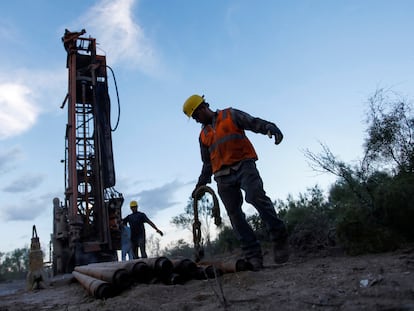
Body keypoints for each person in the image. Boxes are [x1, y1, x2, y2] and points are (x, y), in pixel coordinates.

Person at [182, 94, 289, 270]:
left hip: (244, 165)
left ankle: (279, 237)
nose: (196, 120)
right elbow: (207, 163)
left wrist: (270, 127)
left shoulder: (229, 115)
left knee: (256, 197)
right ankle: (253, 255)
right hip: (222, 177)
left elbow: (253, 123)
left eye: (195, 116)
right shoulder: (203, 135)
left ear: (203, 107)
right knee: (235, 215)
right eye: (193, 118)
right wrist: (200, 185)